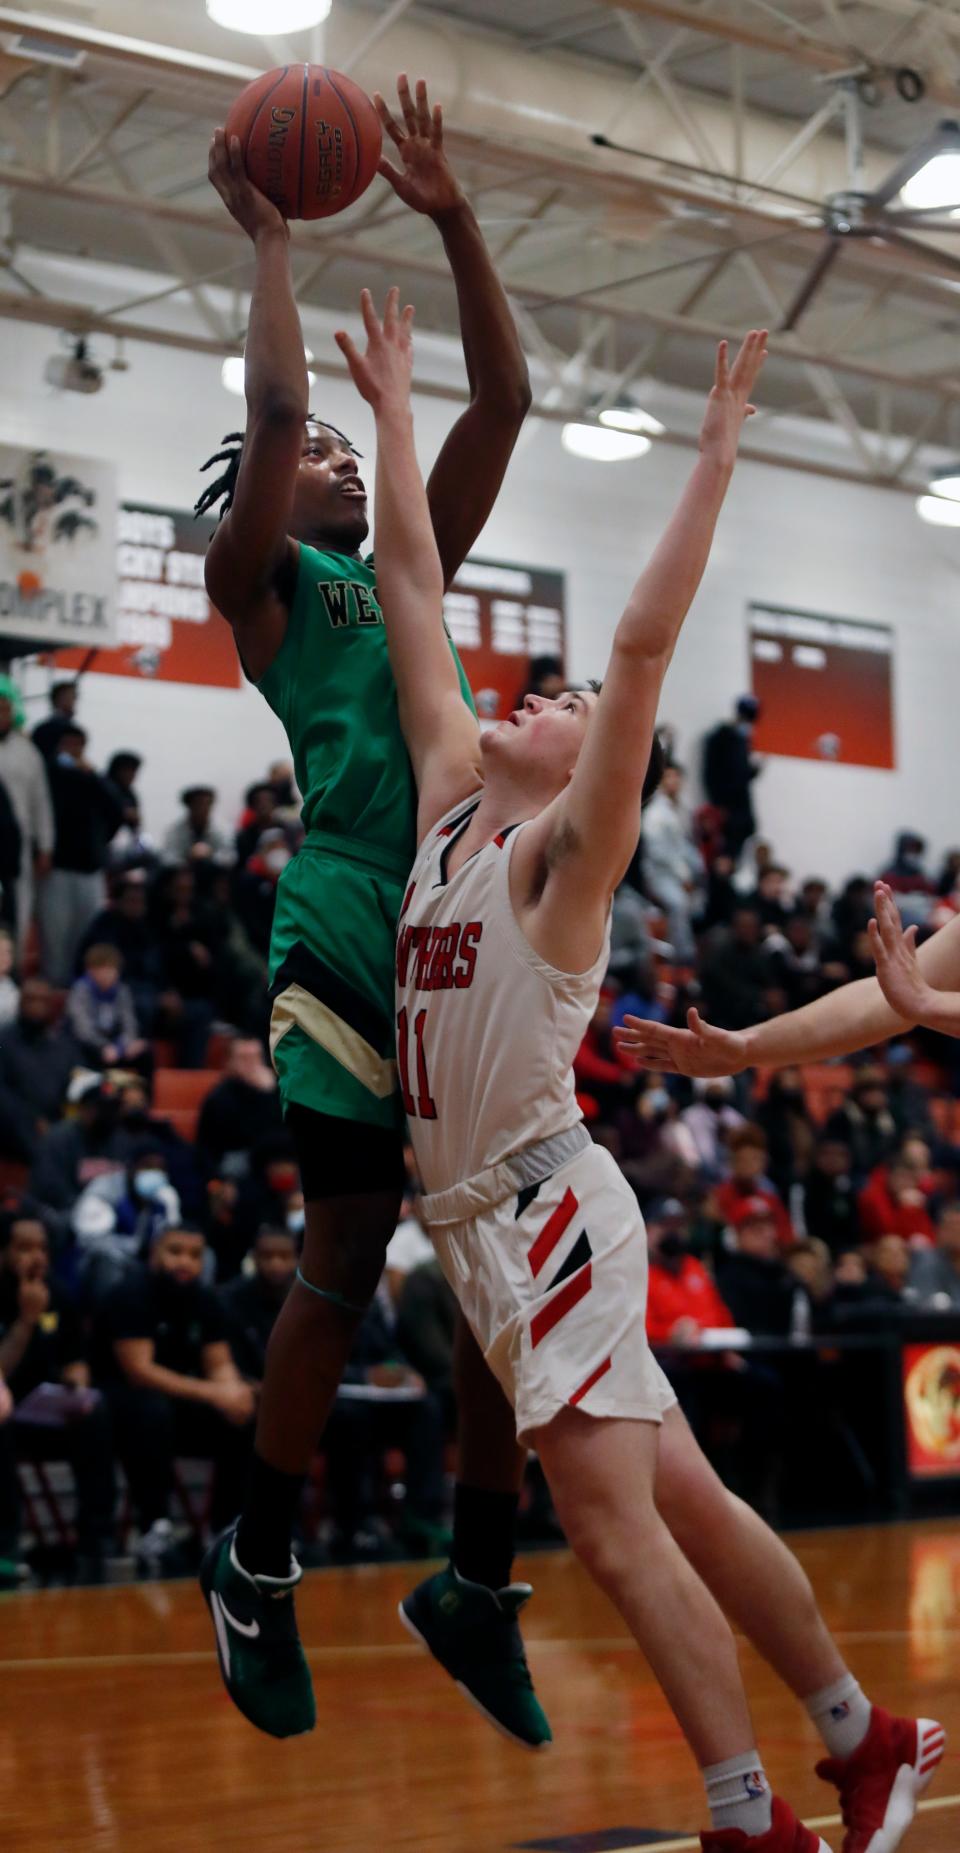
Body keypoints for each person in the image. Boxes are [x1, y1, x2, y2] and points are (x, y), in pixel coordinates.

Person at [343, 296, 940, 1853]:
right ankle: (861, 1734)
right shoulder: (452, 804)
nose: (544, 695)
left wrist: (721, 447)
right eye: (534, 695)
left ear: (604, 763)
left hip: (543, 1213)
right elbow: (410, 575)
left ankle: (752, 1823)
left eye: (573, 706)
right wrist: (401, 409)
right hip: (490, 1231)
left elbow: (642, 642)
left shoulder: (565, 859)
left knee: (607, 1527)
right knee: (682, 1501)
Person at [196, 76, 543, 1750]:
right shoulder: (263, 589)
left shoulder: (402, 570)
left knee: (489, 1262)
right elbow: (267, 421)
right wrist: (269, 241)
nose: (337, 450)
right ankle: (254, 1556)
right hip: (344, 909)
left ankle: (477, 1573)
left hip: (459, 905)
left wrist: (454, 215)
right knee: (345, 1243)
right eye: (318, 451)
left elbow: (508, 395)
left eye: (348, 446)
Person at [96, 1224, 255, 1570]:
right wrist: (214, 1391)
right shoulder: (131, 1294)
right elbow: (140, 1370)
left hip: (180, 1397)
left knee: (243, 1412)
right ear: (155, 1253)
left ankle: (225, 1526)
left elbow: (219, 1363)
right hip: (121, 1402)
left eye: (195, 1255)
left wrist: (232, 1391)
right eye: (175, 1252)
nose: (185, 1262)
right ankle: (154, 1526)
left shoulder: (205, 1298)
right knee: (153, 1412)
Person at [0, 1210, 115, 1577]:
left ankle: (96, 1537)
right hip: (5, 1413)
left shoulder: (60, 1294)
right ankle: (8, 1544)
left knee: (95, 1413)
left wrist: (77, 1390)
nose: (36, 1257)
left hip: (44, 1411)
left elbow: (74, 1360)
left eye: (42, 1249)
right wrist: (26, 1320)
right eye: (24, 1248)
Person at [37, 724, 124, 985]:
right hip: (57, 869)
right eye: (69, 744)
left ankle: (83, 990)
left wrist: (94, 775)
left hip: (90, 869)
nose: (74, 750)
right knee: (55, 937)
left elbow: (115, 809)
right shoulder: (48, 776)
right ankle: (54, 989)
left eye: (79, 744)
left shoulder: (91, 779)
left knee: (88, 934)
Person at [0, 977, 79, 1164]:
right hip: (14, 1126)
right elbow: (3, 1093)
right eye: (30, 1000)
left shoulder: (65, 1044)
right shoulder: (3, 1041)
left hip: (58, 1124)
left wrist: (63, 1123)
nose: (36, 1006)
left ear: (52, 1005)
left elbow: (77, 1085)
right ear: (20, 1003)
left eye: (42, 1001)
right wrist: (32, 1120)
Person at [0, 689, 54, 952]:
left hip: (15, 845)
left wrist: (45, 845)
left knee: (18, 907)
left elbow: (40, 802)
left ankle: (12, 970)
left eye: (5, 710)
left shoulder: (27, 752)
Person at [640, 761, 704, 962]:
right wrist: (683, 875)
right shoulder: (656, 813)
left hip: (680, 871)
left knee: (700, 903)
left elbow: (684, 845)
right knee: (678, 904)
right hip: (659, 874)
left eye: (677, 777)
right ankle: (682, 956)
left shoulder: (682, 810)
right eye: (668, 777)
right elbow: (659, 852)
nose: (673, 781)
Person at [221, 1226, 298, 1379]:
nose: (276, 1264)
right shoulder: (230, 1299)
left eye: (284, 1256)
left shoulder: (309, 1302)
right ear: (254, 1257)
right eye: (267, 1256)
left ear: (297, 1259)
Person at [65, 944, 148, 1074]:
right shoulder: (81, 990)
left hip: (115, 1045)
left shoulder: (122, 990)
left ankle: (139, 1090)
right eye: (104, 969)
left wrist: (120, 1047)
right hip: (91, 1044)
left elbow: (129, 1024)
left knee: (144, 1050)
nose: (109, 974)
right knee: (79, 1049)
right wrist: (104, 1047)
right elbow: (83, 1030)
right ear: (91, 970)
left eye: (113, 969)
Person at [702, 694, 763, 861]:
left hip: (741, 810)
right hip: (727, 809)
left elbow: (740, 774)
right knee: (723, 856)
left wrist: (754, 771)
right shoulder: (720, 737)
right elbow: (711, 772)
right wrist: (717, 804)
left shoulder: (743, 741)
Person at [161, 786, 234, 868]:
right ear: (189, 806)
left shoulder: (222, 828)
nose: (203, 808)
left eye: (207, 804)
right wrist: (189, 856)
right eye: (199, 804)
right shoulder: (174, 830)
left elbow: (230, 856)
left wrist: (210, 855)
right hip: (185, 872)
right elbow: (167, 859)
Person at [907, 1200, 960, 1309]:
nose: (955, 1232)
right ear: (939, 1231)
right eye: (950, 1227)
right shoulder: (926, 1260)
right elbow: (924, 1305)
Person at [31, 679, 78, 760]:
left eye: (74, 697)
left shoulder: (69, 726)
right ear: (58, 699)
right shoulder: (47, 729)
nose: (73, 701)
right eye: (70, 696)